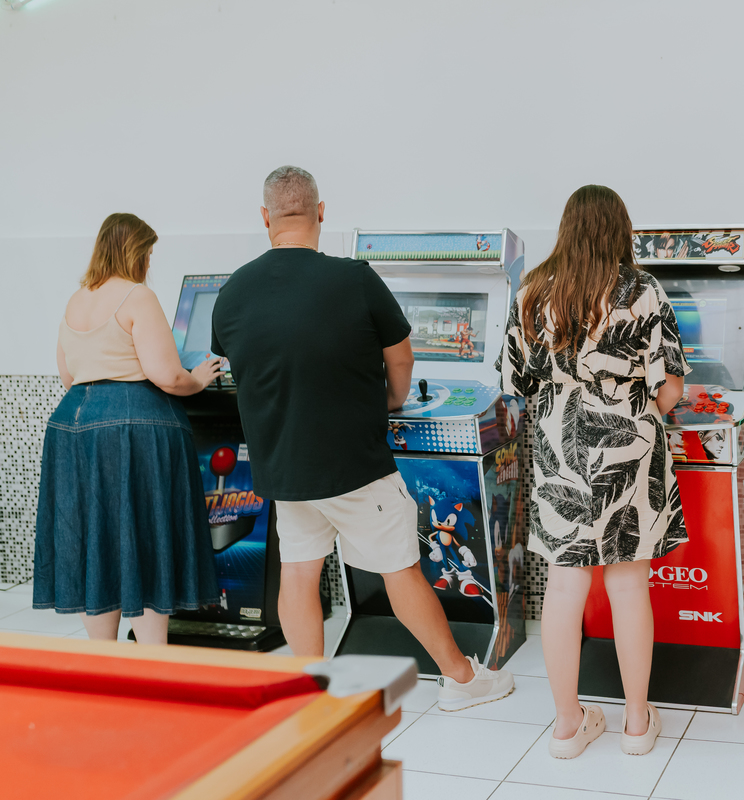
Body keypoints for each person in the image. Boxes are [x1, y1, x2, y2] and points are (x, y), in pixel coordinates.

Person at [210, 166, 513, 710]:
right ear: (321, 211)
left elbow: (249, 364)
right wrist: (393, 400)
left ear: (265, 218)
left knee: (299, 574)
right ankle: (463, 681)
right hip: (355, 463)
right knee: (400, 571)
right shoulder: (354, 278)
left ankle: (312, 691)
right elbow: (402, 357)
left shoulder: (232, 292)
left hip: (285, 469)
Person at [497, 185, 690, 759]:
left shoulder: (532, 292)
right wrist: (635, 412)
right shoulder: (643, 290)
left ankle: (566, 726)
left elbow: (517, 386)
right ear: (619, 229)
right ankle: (635, 724)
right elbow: (670, 388)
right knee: (629, 586)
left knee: (563, 587)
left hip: (561, 455)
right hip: (630, 449)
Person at [34, 213, 222, 644]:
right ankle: (153, 656)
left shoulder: (76, 300)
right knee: (146, 532)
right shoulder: (138, 296)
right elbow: (166, 376)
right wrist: (198, 377)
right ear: (136, 251)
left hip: (71, 427)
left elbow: (68, 375)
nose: (150, 262)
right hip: (133, 429)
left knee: (93, 539)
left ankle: (104, 655)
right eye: (149, 253)